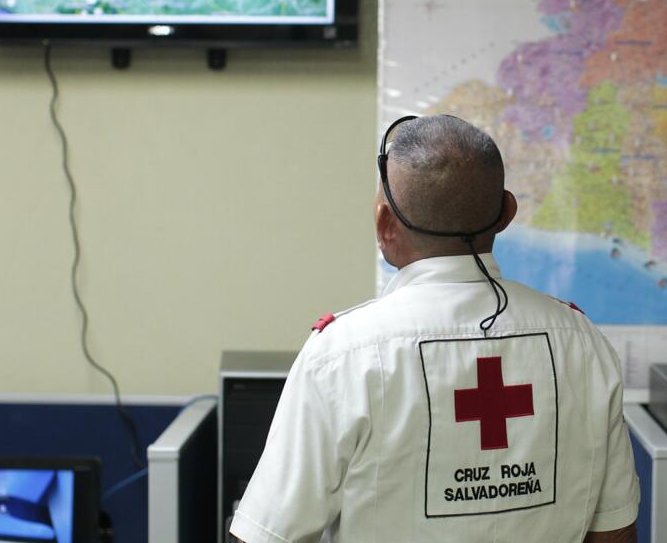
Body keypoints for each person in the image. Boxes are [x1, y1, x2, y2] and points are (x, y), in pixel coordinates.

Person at [230, 115, 640, 543]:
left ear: (385, 225)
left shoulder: (343, 356)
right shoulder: (582, 344)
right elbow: (614, 532)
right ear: (507, 213)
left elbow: (265, 535)